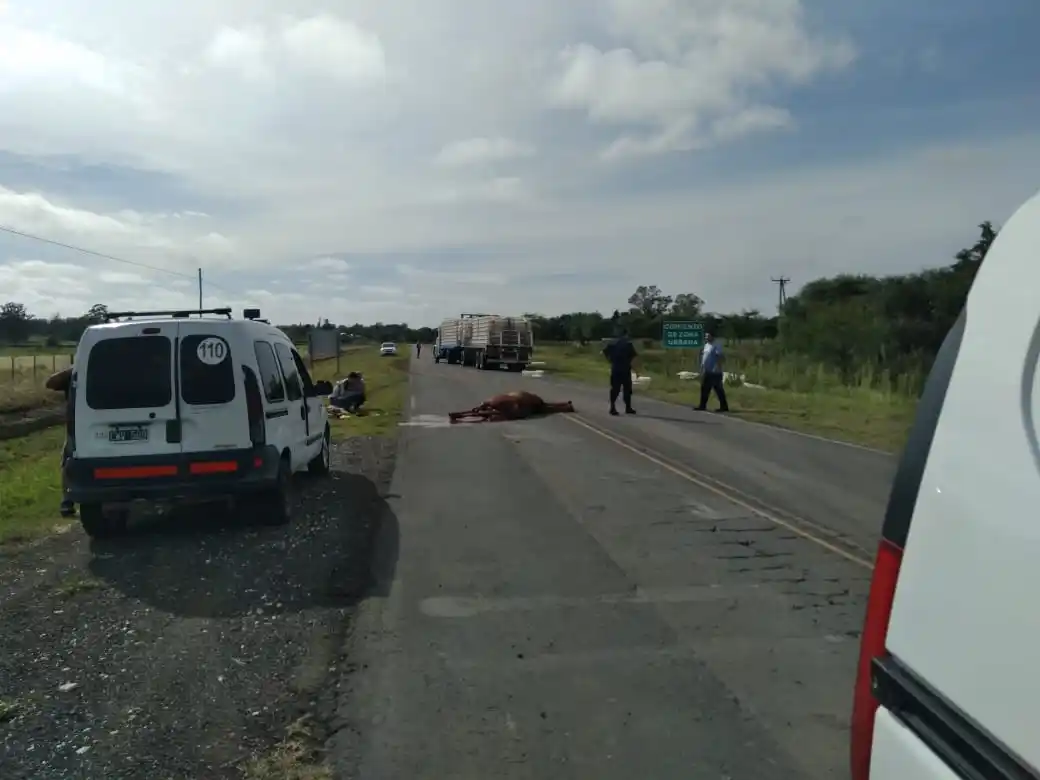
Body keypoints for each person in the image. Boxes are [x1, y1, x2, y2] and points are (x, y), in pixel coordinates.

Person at [45, 364, 76, 517]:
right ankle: (67, 500)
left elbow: (50, 382)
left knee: (68, 461)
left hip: (78, 428)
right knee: (67, 461)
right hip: (76, 428)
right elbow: (50, 383)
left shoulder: (78, 372)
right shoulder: (77, 373)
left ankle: (67, 500)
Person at [602, 330, 637, 416]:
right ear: (625, 335)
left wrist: (610, 360)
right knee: (627, 389)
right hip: (625, 369)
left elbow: (604, 352)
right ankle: (628, 407)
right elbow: (634, 356)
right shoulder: (628, 345)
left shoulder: (612, 344)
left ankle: (612, 407)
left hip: (616, 369)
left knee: (615, 389)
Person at [695, 332, 729, 412]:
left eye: (708, 336)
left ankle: (724, 406)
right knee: (705, 388)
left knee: (718, 389)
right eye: (706, 336)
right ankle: (702, 405)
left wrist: (716, 367)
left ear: (712, 336)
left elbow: (720, 357)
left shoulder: (716, 345)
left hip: (715, 371)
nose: (706, 337)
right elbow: (704, 356)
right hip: (707, 370)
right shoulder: (706, 345)